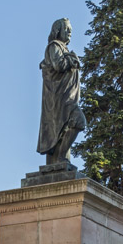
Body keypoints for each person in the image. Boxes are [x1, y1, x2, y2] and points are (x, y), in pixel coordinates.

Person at [37, 18, 86, 165]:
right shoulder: (54, 46)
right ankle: (60, 157)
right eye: (66, 28)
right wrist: (72, 59)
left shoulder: (62, 48)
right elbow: (59, 65)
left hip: (66, 96)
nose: (70, 31)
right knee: (78, 121)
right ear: (57, 31)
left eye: (70, 29)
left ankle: (60, 158)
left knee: (67, 126)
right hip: (58, 99)